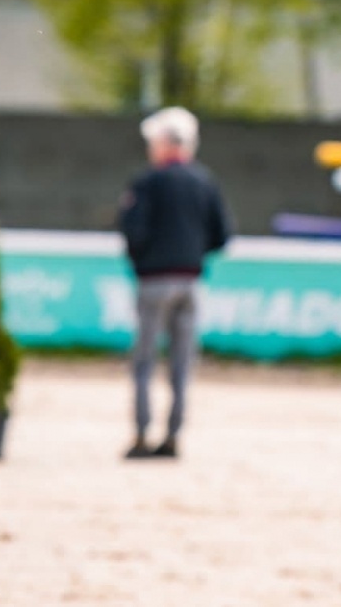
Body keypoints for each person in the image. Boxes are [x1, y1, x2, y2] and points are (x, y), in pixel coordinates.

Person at [117, 106, 231, 460]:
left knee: (144, 361)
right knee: (182, 364)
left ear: (165, 143)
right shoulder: (205, 182)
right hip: (190, 281)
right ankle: (173, 435)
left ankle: (140, 433)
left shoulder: (147, 183)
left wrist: (142, 261)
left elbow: (131, 230)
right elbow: (221, 235)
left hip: (154, 282)